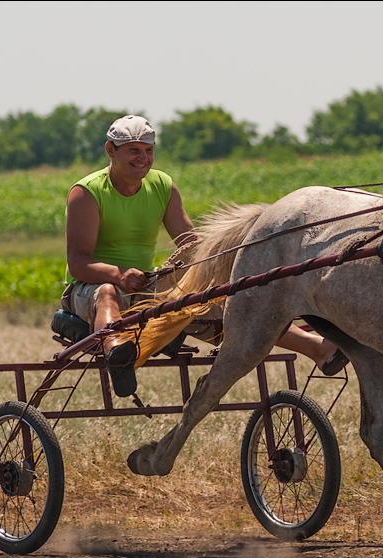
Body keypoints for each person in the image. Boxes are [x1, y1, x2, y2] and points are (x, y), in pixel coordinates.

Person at [62, 115, 347, 397]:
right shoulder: (87, 192)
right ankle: (118, 355)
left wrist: (216, 272)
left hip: (144, 287)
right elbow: (78, 263)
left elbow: (190, 244)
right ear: (110, 150)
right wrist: (118, 274)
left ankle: (318, 349)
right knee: (108, 292)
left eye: (148, 150)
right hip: (89, 289)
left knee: (227, 301)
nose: (143, 158)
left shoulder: (162, 186)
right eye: (133, 150)